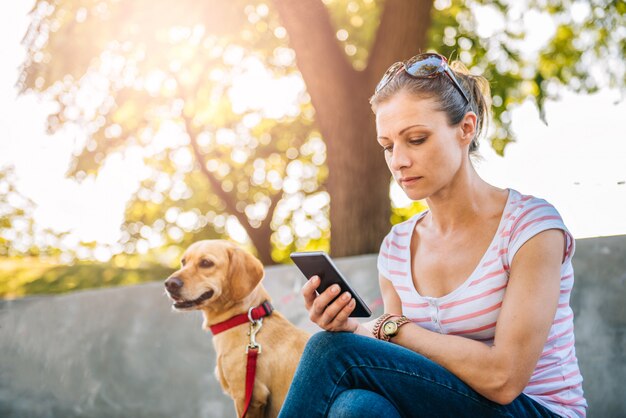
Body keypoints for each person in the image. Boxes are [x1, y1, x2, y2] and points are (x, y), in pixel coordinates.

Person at [278, 52, 587, 418]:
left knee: (328, 351)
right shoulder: (396, 248)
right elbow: (399, 366)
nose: (399, 161)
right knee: (358, 406)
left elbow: (503, 379)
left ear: (466, 129)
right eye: (388, 146)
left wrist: (392, 329)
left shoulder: (530, 228)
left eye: (417, 139)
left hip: (536, 411)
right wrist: (351, 329)